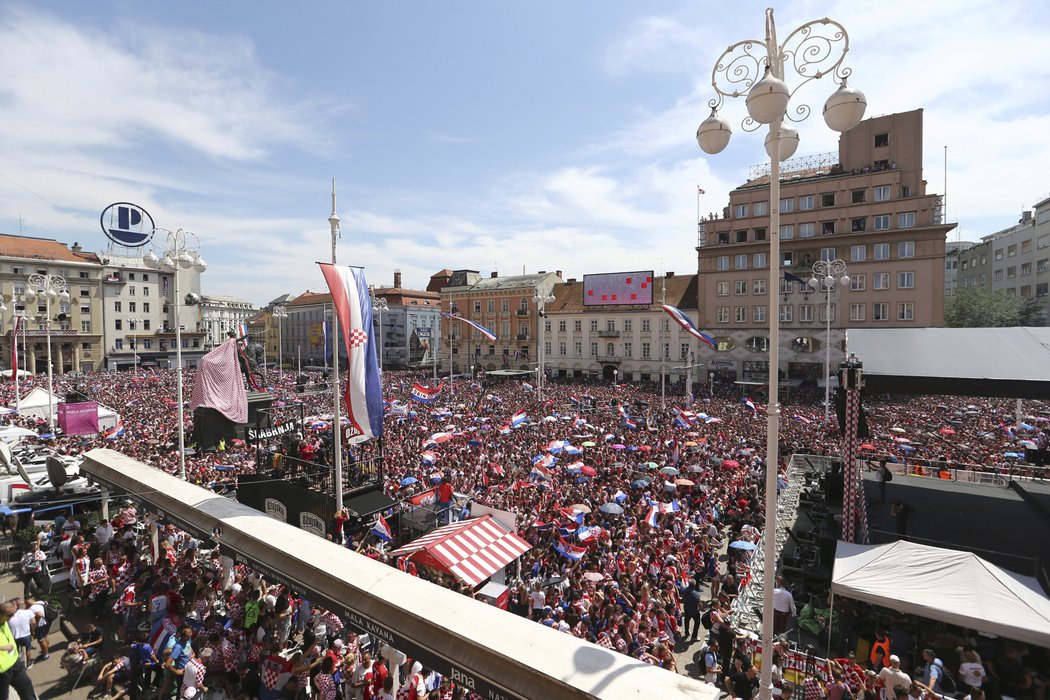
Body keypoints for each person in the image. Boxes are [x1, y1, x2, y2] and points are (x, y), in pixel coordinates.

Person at [0, 601, 37, 700]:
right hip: (2, 671)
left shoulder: (4, 621)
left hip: (15, 663)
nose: (13, 617)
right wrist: (3, 647)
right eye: (11, 614)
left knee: (27, 689)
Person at [681, 577, 704, 642]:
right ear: (694, 585)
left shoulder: (684, 590)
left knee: (686, 620)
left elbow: (682, 598)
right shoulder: (697, 595)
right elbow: (700, 605)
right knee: (697, 622)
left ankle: (687, 632)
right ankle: (694, 636)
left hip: (686, 608)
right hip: (694, 611)